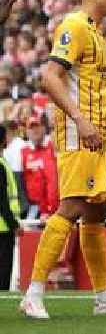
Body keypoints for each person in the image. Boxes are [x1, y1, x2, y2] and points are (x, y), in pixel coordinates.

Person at [20, 0, 106, 318]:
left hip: (99, 135)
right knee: (72, 206)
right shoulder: (74, 26)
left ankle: (104, 296)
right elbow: (49, 75)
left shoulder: (97, 33)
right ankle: (33, 292)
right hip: (80, 132)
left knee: (95, 212)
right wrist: (79, 118)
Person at [20, 116, 58, 220]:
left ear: (44, 128)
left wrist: (49, 209)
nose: (35, 130)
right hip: (33, 206)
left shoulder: (53, 147)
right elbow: (20, 183)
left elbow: (53, 181)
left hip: (56, 205)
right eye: (31, 127)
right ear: (27, 131)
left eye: (37, 126)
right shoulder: (22, 152)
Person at [0, 124, 20, 290]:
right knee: (3, 272)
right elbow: (2, 200)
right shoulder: (1, 165)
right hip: (3, 228)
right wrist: (13, 224)